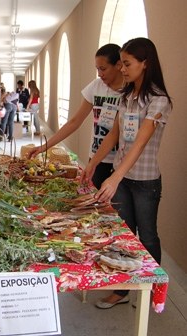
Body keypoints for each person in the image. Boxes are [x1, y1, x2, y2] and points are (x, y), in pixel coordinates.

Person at [81, 38, 172, 309]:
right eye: (121, 63)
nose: (123, 69)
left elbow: (141, 141)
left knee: (147, 236)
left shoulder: (158, 101)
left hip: (144, 182)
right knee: (125, 236)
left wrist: (115, 176)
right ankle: (123, 291)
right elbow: (114, 136)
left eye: (128, 64)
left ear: (146, 64)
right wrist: (93, 163)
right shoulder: (127, 97)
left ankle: (152, 293)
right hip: (123, 179)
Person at [28, 44, 124, 189]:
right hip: (97, 158)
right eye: (97, 69)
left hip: (121, 160)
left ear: (118, 65)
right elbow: (75, 121)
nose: (99, 73)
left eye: (103, 69)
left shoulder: (130, 92)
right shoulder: (96, 87)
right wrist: (44, 147)